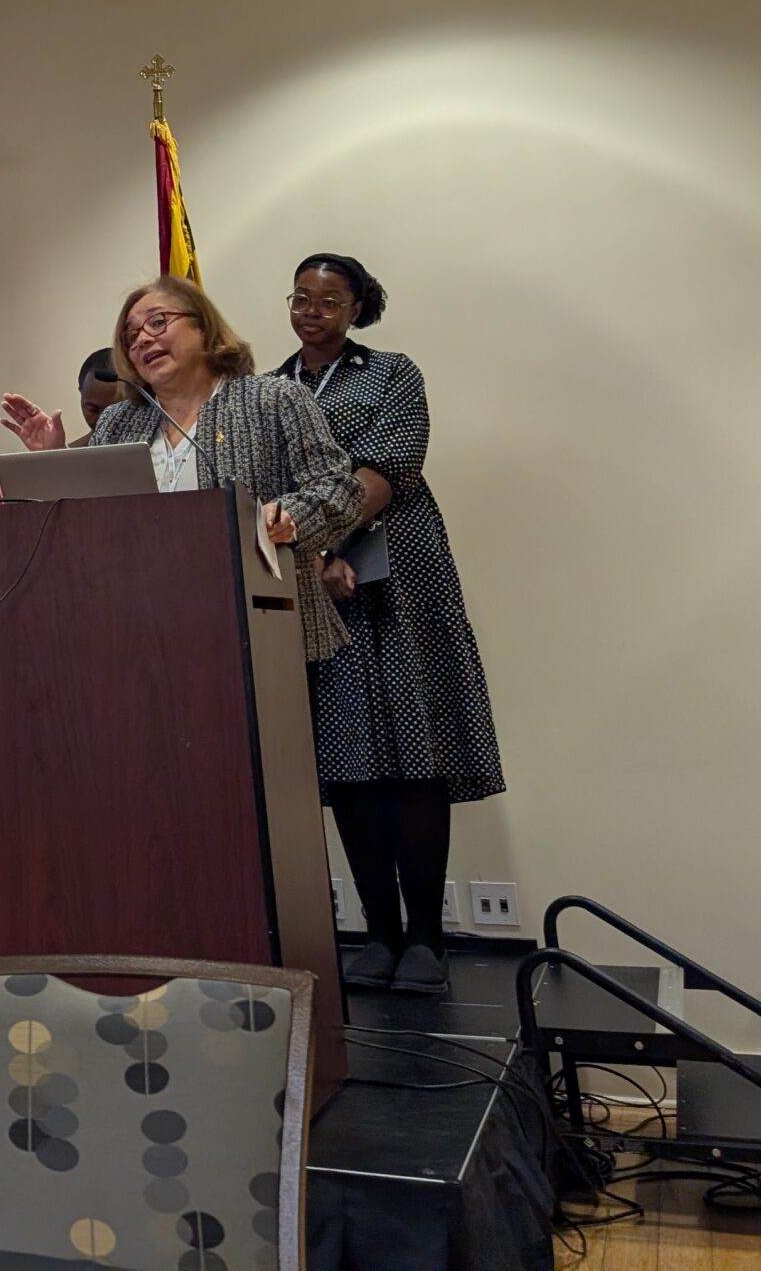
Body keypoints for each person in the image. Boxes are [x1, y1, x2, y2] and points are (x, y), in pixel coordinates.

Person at [273, 254, 504, 998]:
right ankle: (378, 933)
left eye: (329, 300)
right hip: (317, 587)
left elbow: (392, 464)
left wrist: (324, 539)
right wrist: (316, 558)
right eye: (301, 298)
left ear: (357, 308)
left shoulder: (392, 373)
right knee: (347, 761)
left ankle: (427, 940)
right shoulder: (269, 389)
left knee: (415, 750)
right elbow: (263, 482)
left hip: (399, 574)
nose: (312, 311)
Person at [0, 276, 366, 657]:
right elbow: (94, 524)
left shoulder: (273, 399)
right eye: (130, 336)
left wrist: (289, 516)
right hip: (150, 630)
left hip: (266, 628)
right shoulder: (119, 422)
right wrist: (54, 458)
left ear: (203, 326)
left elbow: (340, 488)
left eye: (157, 323)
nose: (141, 339)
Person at [67, 348, 126, 446]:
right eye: (92, 409)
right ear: (81, 392)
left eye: (114, 411)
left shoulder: (156, 447)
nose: (103, 419)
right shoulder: (69, 455)